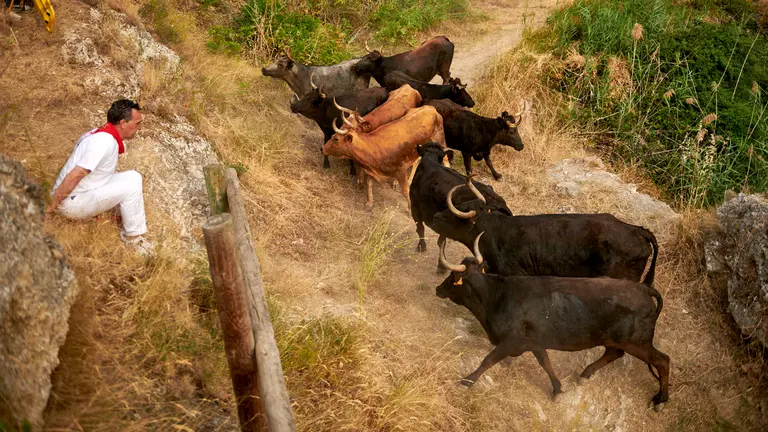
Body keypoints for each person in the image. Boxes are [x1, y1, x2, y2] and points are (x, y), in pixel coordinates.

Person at [47, 99, 152, 254]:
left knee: (134, 177)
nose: (139, 128)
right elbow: (76, 175)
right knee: (131, 186)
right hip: (72, 203)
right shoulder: (104, 142)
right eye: (137, 123)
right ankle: (134, 241)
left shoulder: (101, 133)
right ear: (123, 123)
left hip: (79, 194)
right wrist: (49, 209)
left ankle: (119, 222)